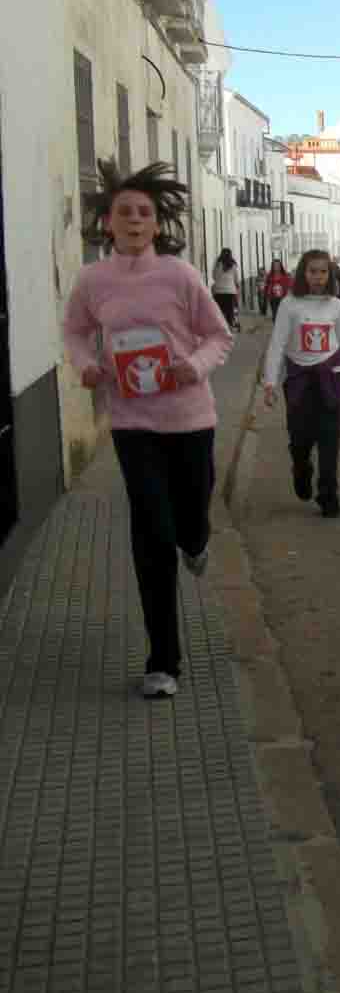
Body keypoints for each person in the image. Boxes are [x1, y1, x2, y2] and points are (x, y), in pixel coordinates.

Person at [62, 161, 233, 699]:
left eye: (145, 212)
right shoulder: (93, 280)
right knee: (151, 535)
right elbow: (73, 330)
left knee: (189, 519)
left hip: (190, 420)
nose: (135, 220)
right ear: (108, 222)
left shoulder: (181, 276)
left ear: (157, 224)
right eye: (125, 212)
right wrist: (85, 365)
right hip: (133, 424)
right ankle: (163, 661)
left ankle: (197, 538)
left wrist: (194, 366)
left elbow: (219, 336)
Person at [261, 249, 340, 518]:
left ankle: (328, 494)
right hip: (299, 381)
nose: (317, 277)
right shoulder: (289, 304)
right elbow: (277, 345)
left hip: (331, 378)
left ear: (329, 274)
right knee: (300, 440)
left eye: (322, 272)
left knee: (330, 440)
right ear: (303, 273)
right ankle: (301, 467)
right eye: (312, 271)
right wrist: (270, 382)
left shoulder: (336, 305)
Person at [211, 247, 240, 332]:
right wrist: (237, 286)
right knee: (230, 311)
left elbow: (214, 276)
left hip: (218, 291)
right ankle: (229, 327)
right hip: (230, 291)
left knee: (220, 311)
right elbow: (236, 278)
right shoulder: (233, 265)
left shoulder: (217, 264)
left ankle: (220, 327)